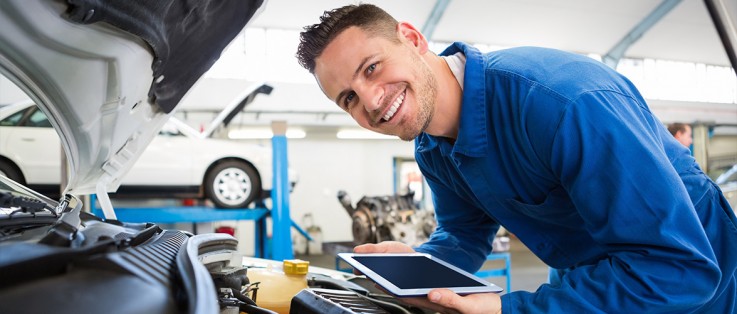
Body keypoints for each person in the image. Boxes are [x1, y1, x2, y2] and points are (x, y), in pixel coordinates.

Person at [296, 4, 737, 313]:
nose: (371, 102)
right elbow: (464, 236)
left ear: (412, 38)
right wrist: (417, 265)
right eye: (349, 97)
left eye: (372, 67)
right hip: (591, 279)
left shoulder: (561, 103)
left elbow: (681, 270)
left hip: (698, 285)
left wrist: (511, 308)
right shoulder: (431, 148)